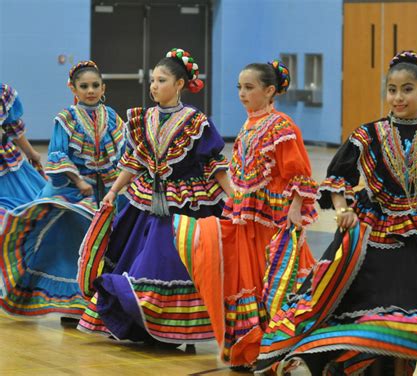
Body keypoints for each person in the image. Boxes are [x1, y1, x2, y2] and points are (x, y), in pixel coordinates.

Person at [254, 51, 417, 375]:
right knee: (348, 301)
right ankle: (316, 360)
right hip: (372, 233)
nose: (398, 98)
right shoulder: (367, 135)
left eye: (408, 89)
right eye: (392, 89)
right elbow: (338, 180)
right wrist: (343, 210)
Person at [167, 60, 318, 370]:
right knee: (245, 274)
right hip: (246, 216)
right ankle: (252, 346)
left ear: (270, 90)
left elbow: (298, 173)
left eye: (249, 88)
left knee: (274, 279)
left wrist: (294, 210)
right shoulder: (249, 125)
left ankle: (279, 346)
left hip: (273, 220)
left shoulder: (282, 126)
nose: (241, 93)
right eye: (239, 87)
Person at [77, 48, 231, 346]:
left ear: (179, 85)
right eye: (152, 80)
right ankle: (142, 324)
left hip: (184, 204)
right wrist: (112, 191)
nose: (154, 86)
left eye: (161, 80)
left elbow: (214, 165)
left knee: (165, 260)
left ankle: (170, 327)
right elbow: (135, 160)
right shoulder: (144, 118)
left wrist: (235, 197)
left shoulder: (196, 121)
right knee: (136, 258)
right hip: (146, 200)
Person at [0, 61, 126, 318]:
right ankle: (70, 301)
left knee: (110, 239)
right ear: (73, 89)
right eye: (84, 86)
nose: (90, 90)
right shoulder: (66, 119)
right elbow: (58, 153)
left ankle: (99, 298)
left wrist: (121, 183)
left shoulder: (112, 117)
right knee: (68, 240)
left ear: (103, 88)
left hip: (105, 189)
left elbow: (123, 153)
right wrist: (78, 181)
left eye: (94, 86)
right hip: (72, 190)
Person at [0, 83, 45, 210]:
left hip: (5, 164)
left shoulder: (3, 93)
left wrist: (31, 153)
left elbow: (11, 126)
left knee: (24, 210)